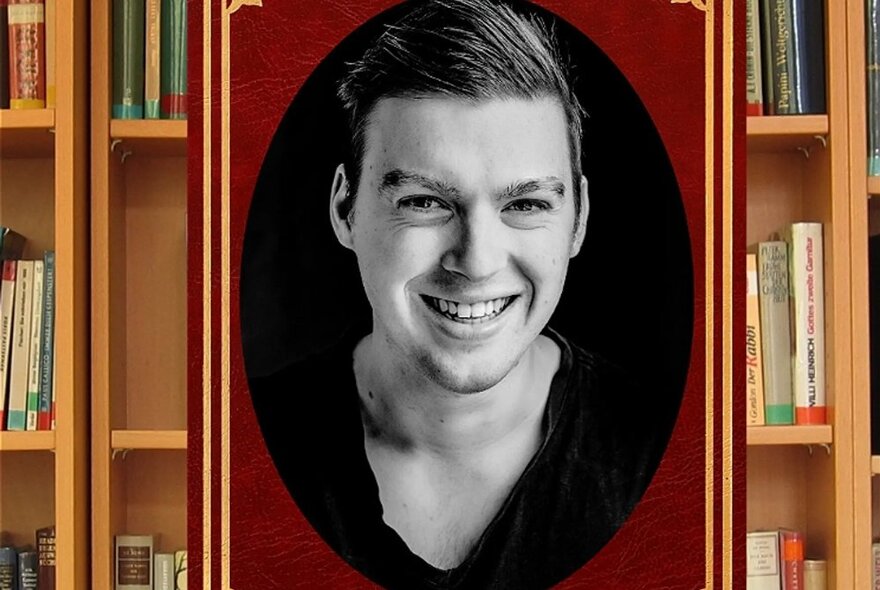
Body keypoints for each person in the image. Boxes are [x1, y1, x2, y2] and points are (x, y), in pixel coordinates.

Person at [249, 0, 666, 587]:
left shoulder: (667, 454)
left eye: (525, 205)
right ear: (346, 209)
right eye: (425, 201)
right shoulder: (241, 449)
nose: (475, 261)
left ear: (578, 221)